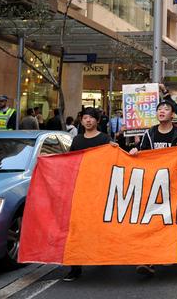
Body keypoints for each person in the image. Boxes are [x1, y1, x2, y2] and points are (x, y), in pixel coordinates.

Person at [129, 100, 177, 276]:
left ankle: (168, 253)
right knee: (151, 223)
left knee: (170, 222)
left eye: (166, 109)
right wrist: (133, 151)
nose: (162, 111)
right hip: (153, 187)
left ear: (172, 114)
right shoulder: (150, 133)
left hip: (174, 186)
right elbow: (142, 153)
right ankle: (147, 260)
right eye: (159, 109)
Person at [64, 107, 113, 282]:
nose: (88, 121)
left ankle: (103, 257)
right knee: (77, 229)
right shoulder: (76, 140)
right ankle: (75, 268)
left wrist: (115, 149)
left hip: (100, 190)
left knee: (100, 227)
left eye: (91, 118)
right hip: (80, 191)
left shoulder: (105, 139)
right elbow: (70, 163)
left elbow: (114, 161)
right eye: (85, 118)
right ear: (81, 121)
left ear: (97, 121)